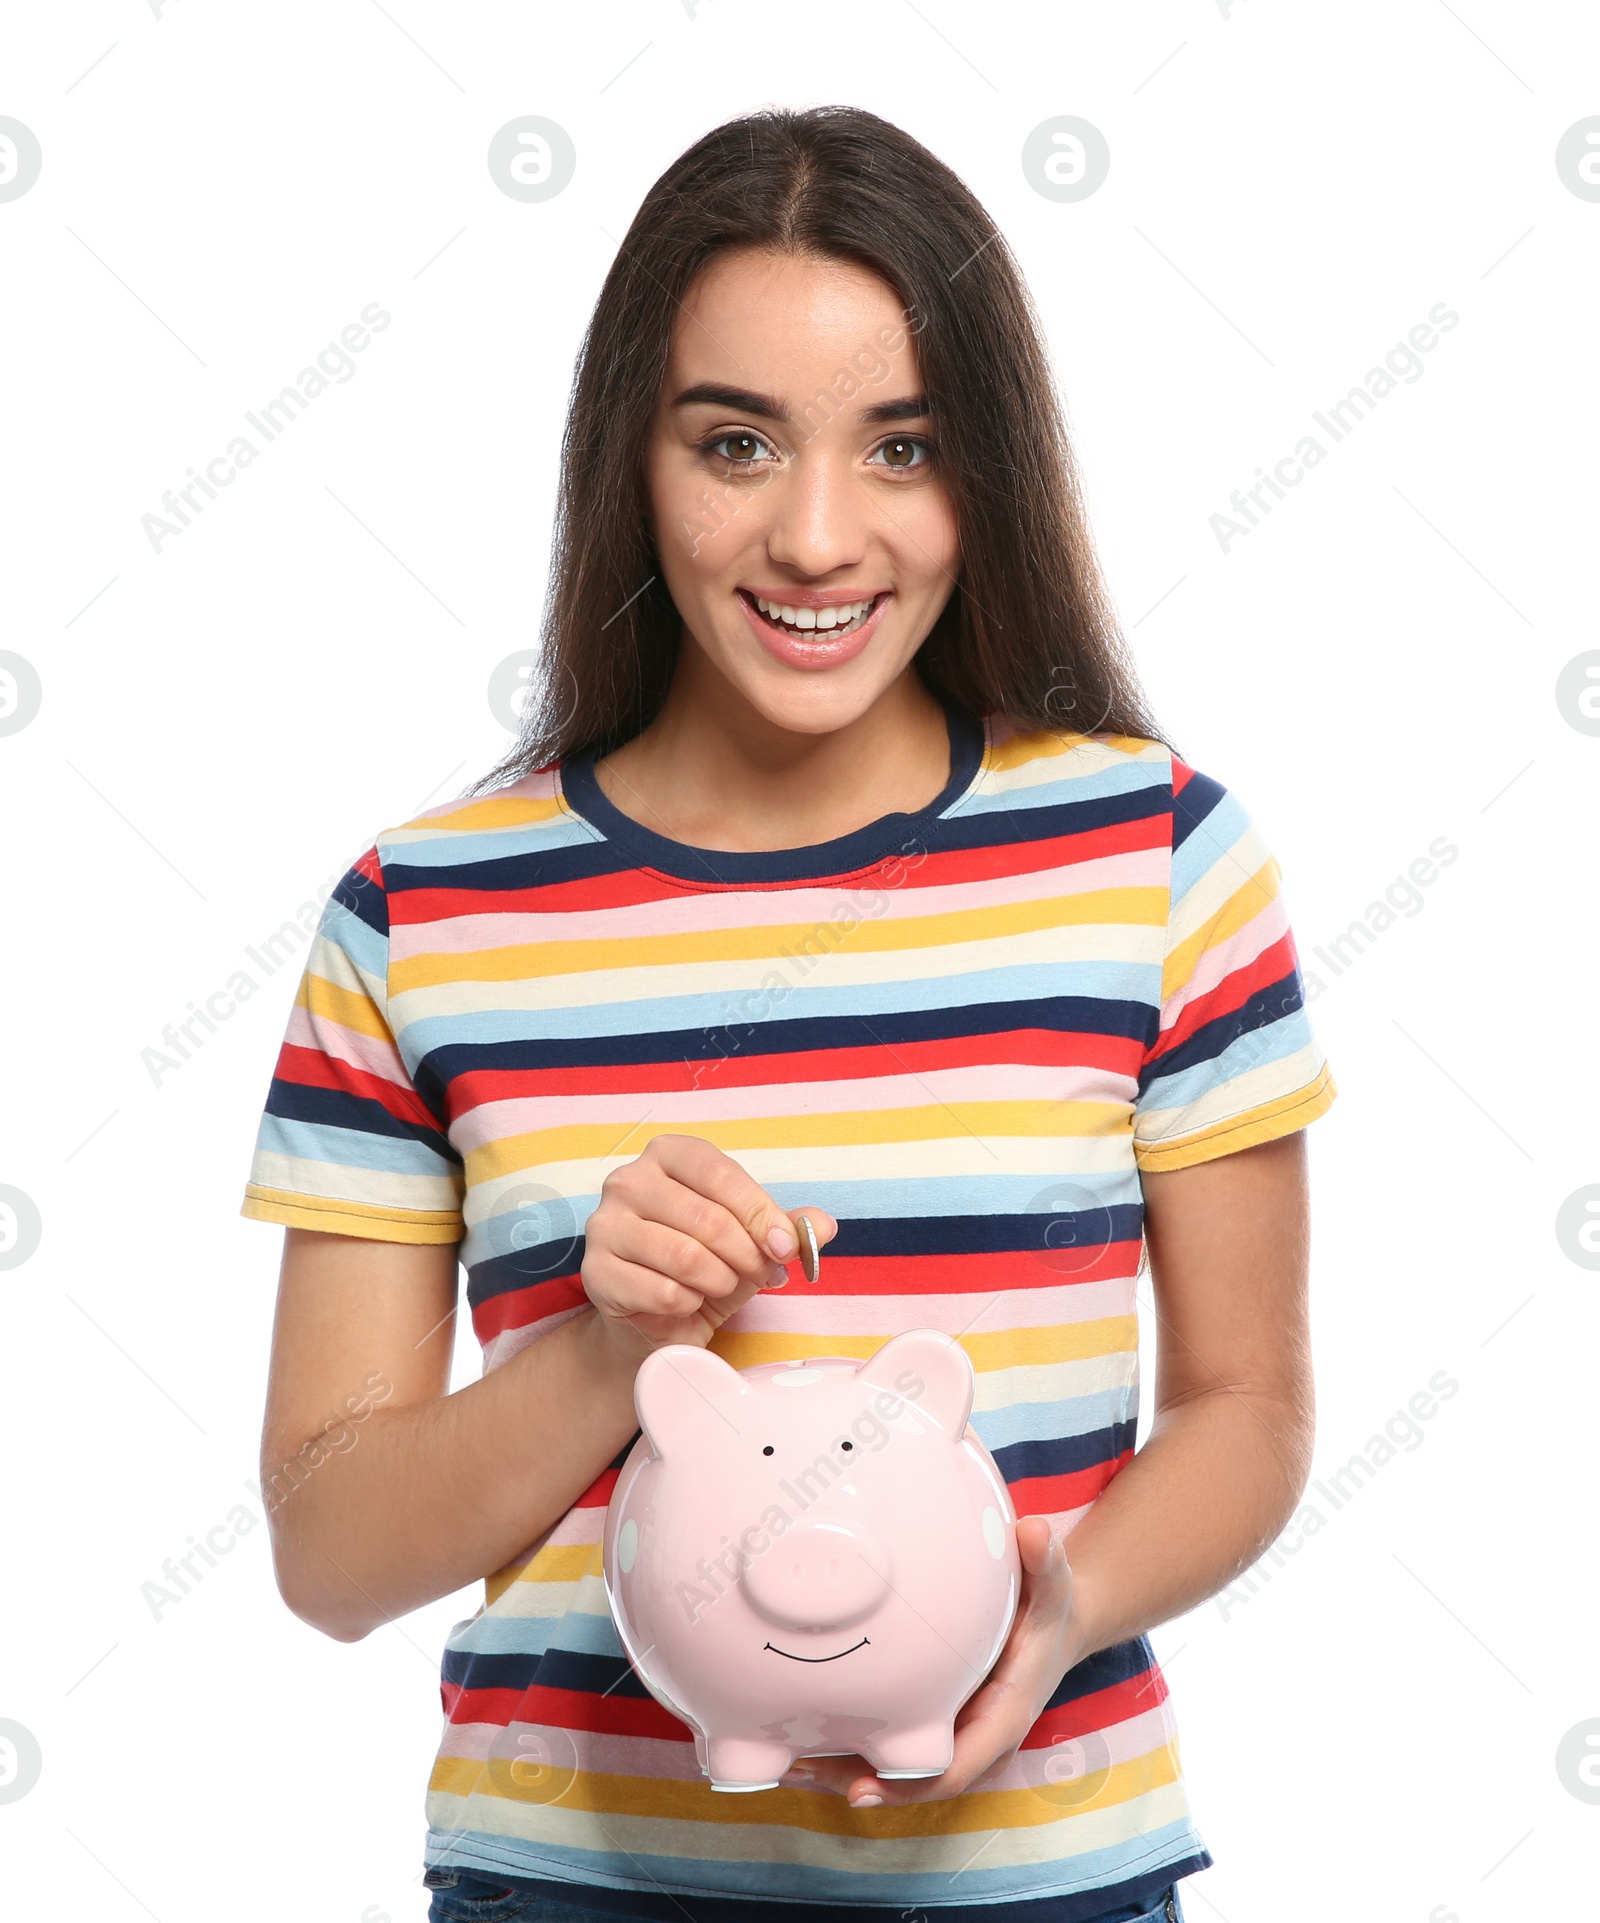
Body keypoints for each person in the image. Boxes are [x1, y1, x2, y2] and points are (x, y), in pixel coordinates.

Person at [242, 106, 1336, 1923]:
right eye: (734, 442)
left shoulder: (1152, 856)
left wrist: (1052, 1608)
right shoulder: (425, 914)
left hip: (1038, 1878)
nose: (818, 538)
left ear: (985, 472)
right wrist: (607, 1348)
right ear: (631, 461)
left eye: (901, 448)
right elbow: (331, 1553)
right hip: (570, 1885)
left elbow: (1249, 1411)